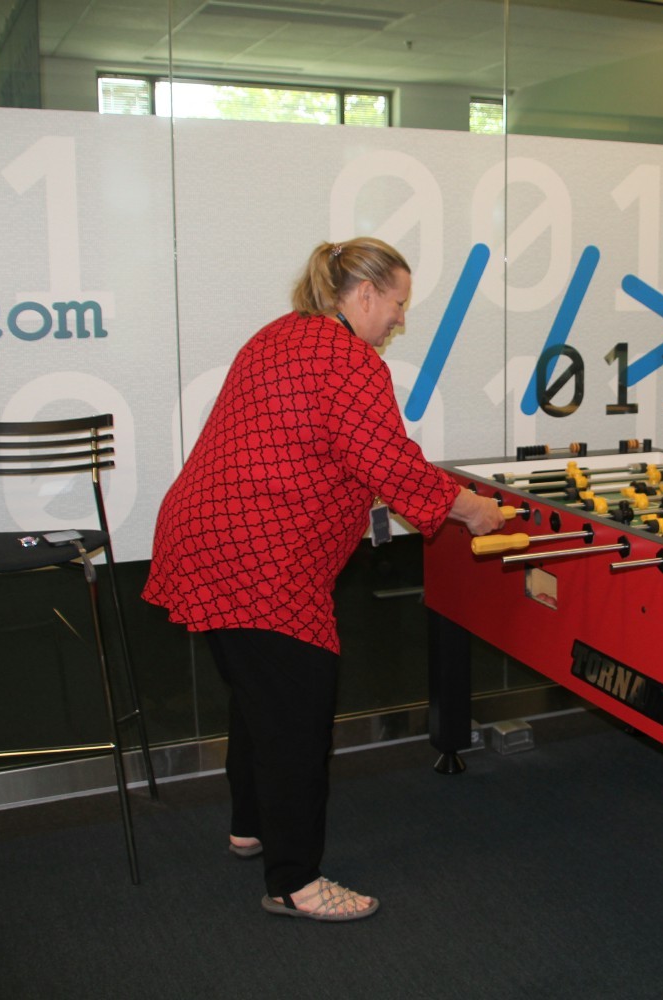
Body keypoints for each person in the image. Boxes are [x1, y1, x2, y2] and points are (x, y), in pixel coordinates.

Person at [142, 238, 504, 922]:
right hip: (258, 558)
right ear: (364, 295)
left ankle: (251, 825)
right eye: (397, 303)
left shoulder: (281, 334)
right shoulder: (345, 358)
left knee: (259, 700)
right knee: (297, 716)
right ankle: (293, 881)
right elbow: (391, 465)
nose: (399, 320)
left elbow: (328, 450)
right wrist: (470, 509)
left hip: (204, 540)